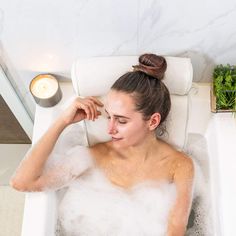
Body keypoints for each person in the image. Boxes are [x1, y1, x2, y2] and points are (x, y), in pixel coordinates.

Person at [10, 53, 194, 236]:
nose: (110, 129)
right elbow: (23, 182)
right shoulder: (94, 156)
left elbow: (175, 230)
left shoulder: (179, 165)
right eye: (108, 116)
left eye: (121, 121)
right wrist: (63, 121)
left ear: (153, 121)